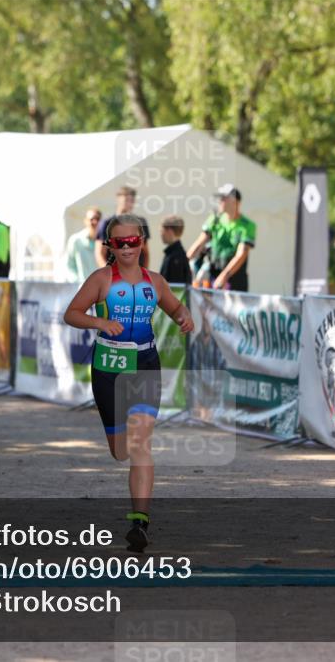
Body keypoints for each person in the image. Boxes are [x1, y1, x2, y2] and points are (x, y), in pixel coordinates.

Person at [63, 214, 194, 552]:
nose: (127, 248)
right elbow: (72, 313)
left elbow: (175, 308)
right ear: (110, 246)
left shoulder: (155, 281)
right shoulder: (101, 279)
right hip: (109, 368)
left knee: (140, 445)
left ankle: (140, 522)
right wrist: (100, 322)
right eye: (119, 243)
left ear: (142, 242)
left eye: (132, 241)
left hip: (145, 365)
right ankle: (138, 512)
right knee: (120, 450)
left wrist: (183, 318)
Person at [186, 184, 256, 291]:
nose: (220, 201)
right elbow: (199, 243)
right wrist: (184, 261)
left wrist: (224, 276)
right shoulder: (215, 219)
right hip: (213, 274)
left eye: (223, 198)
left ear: (235, 202)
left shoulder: (247, 225)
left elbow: (241, 255)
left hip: (235, 279)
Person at [95, 186, 150, 269]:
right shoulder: (106, 223)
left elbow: (145, 252)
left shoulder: (141, 222)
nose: (129, 204)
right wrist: (108, 273)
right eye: (126, 200)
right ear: (118, 199)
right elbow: (99, 253)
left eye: (132, 200)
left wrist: (144, 273)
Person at [65, 208, 101, 282]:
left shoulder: (105, 242)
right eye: (92, 219)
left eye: (97, 219)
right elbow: (69, 266)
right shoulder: (76, 240)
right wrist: (78, 283)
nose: (95, 222)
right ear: (86, 221)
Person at [158, 215, 192, 285]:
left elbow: (173, 287)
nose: (161, 234)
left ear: (169, 231)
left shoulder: (175, 257)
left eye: (162, 231)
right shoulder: (174, 253)